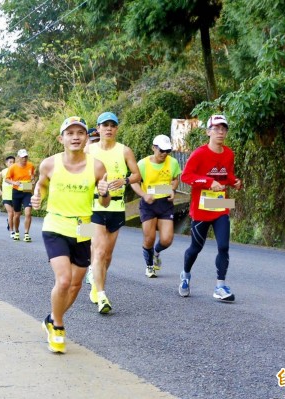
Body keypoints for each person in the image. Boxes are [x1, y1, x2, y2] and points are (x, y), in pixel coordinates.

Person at [32, 116, 110, 353]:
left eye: (80, 133)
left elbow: (104, 203)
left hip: (83, 226)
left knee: (76, 285)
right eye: (70, 133)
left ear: (87, 137)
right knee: (64, 279)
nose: (75, 137)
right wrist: (38, 196)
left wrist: (104, 193)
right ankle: (58, 324)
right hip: (55, 225)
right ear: (61, 138)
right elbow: (42, 185)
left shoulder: (97, 166)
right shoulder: (49, 164)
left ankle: (52, 316)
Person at [178, 114, 242, 302]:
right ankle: (185, 275)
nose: (220, 132)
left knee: (223, 246)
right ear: (208, 132)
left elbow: (227, 175)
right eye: (216, 129)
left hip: (221, 206)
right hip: (201, 209)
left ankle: (220, 286)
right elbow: (185, 177)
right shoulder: (199, 154)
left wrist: (235, 182)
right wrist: (208, 183)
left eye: (223, 129)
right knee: (196, 248)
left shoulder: (229, 154)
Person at [87, 111, 141, 314]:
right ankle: (102, 295)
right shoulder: (88, 150)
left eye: (112, 125)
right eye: (105, 125)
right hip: (94, 206)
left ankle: (95, 279)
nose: (109, 128)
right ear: (98, 128)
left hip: (117, 207)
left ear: (117, 129)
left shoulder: (125, 151)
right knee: (99, 250)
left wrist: (124, 181)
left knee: (107, 255)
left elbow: (137, 175)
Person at [130, 135, 181, 278]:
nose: (164, 154)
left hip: (165, 203)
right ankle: (149, 266)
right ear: (153, 148)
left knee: (167, 239)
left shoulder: (173, 163)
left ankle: (156, 252)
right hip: (149, 204)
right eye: (161, 150)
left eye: (167, 151)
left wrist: (172, 189)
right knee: (149, 238)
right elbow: (134, 181)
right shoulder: (142, 164)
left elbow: (175, 179)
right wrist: (143, 194)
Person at [5, 149, 36, 242]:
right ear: (18, 158)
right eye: (22, 157)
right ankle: (17, 231)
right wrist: (15, 182)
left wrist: (33, 180)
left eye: (26, 157)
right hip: (16, 191)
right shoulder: (13, 167)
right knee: (17, 214)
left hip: (27, 190)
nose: (24, 159)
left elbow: (33, 176)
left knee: (28, 213)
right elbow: (7, 179)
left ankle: (26, 233)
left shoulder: (31, 165)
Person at [0, 155, 16, 238]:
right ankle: (12, 231)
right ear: (6, 163)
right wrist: (0, 190)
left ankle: (10, 222)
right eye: (10, 162)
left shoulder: (17, 171)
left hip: (15, 195)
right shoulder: (3, 172)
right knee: (11, 213)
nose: (12, 164)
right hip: (6, 196)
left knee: (15, 214)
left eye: (13, 162)